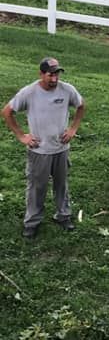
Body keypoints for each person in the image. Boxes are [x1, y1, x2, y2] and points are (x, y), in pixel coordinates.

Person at [2, 57, 85, 240]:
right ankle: (32, 222)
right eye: (50, 75)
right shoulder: (30, 92)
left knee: (61, 185)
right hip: (39, 151)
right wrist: (21, 136)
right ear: (41, 74)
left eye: (56, 74)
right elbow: (7, 112)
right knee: (36, 188)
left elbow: (81, 105)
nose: (54, 78)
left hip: (61, 149)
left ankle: (63, 216)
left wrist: (73, 129)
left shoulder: (67, 90)